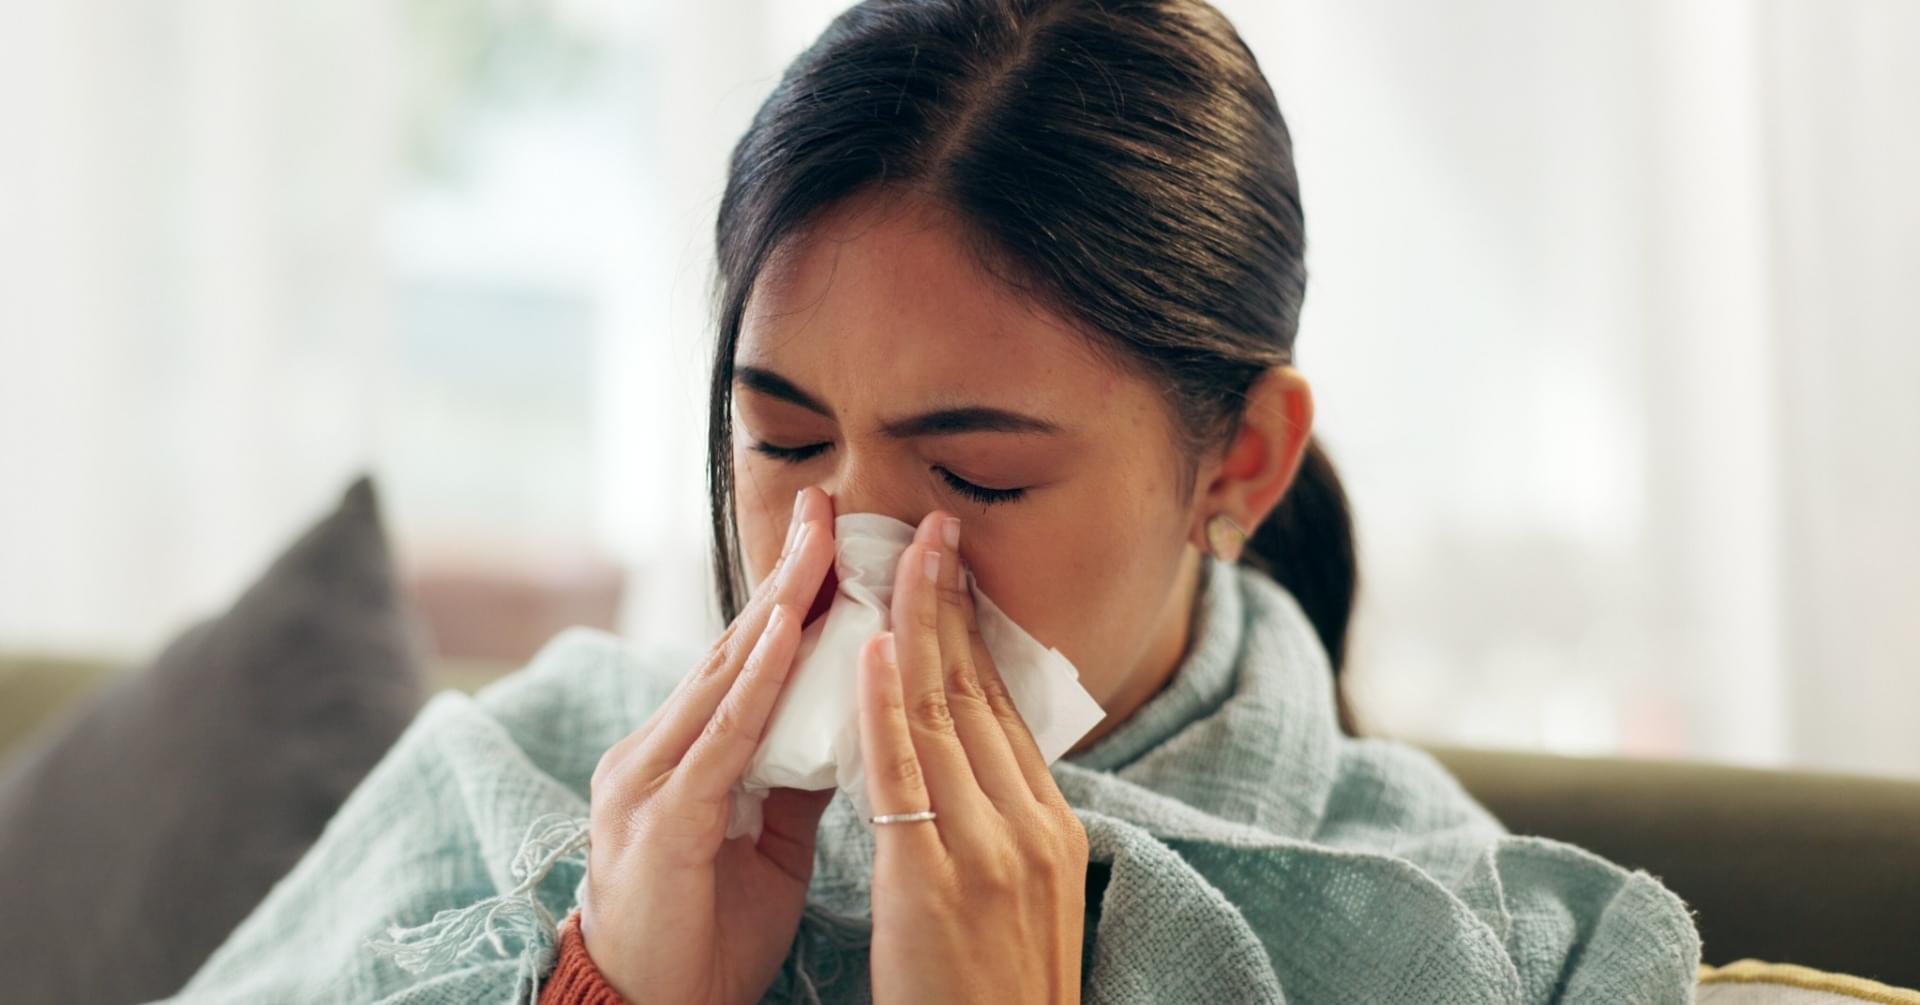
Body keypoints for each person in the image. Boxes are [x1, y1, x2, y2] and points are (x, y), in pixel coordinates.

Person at [157, 1, 1702, 1002]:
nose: (849, 555)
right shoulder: (528, 774)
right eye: (779, 440)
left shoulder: (1472, 947)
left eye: (981, 475)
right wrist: (605, 982)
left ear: (1240, 462)